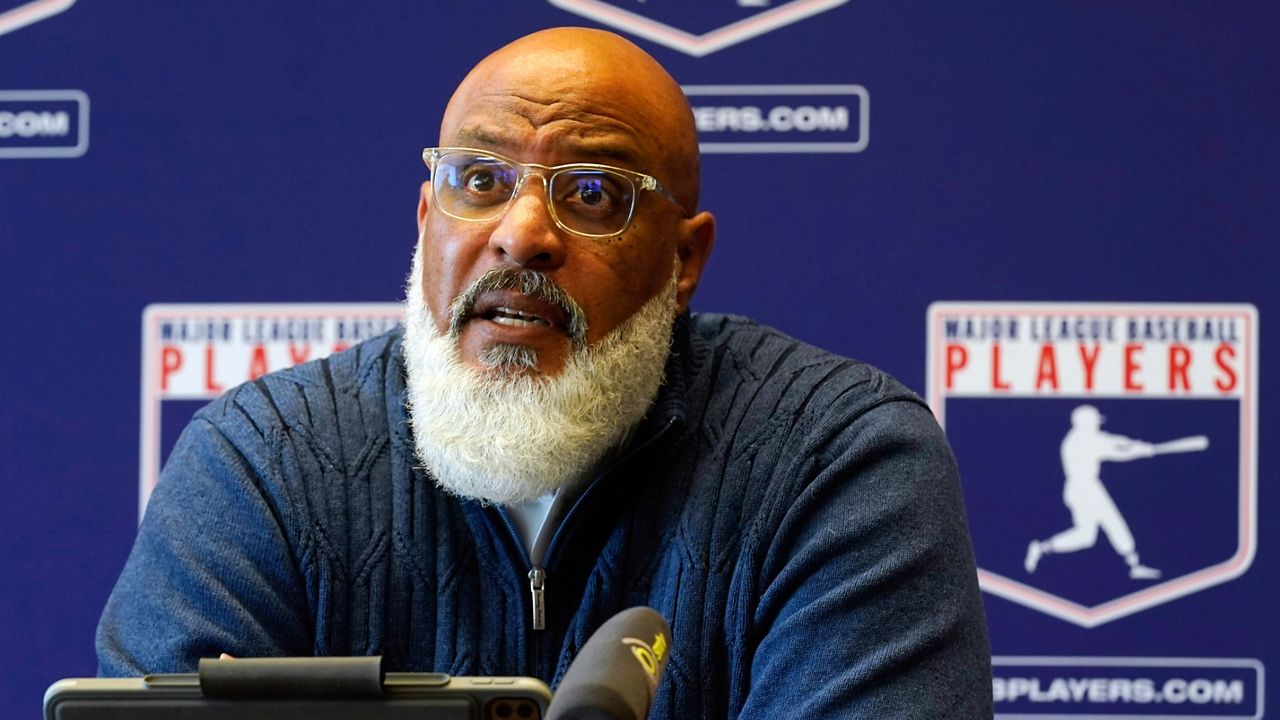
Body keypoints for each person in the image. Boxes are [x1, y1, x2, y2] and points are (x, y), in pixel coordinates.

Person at [96, 27, 992, 718]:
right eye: (479, 180)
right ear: (425, 219)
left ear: (684, 262)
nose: (521, 234)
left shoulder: (837, 461)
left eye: (593, 193)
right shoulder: (263, 463)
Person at [1025, 404, 1161, 579]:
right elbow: (1115, 453)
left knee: (1085, 536)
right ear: (1085, 422)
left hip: (1082, 489)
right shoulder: (1080, 441)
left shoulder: (1086, 436)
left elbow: (1115, 440)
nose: (1097, 424)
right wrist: (1141, 452)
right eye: (1094, 421)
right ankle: (1134, 565)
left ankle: (1042, 548)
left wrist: (1138, 445)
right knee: (1113, 523)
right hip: (1085, 489)